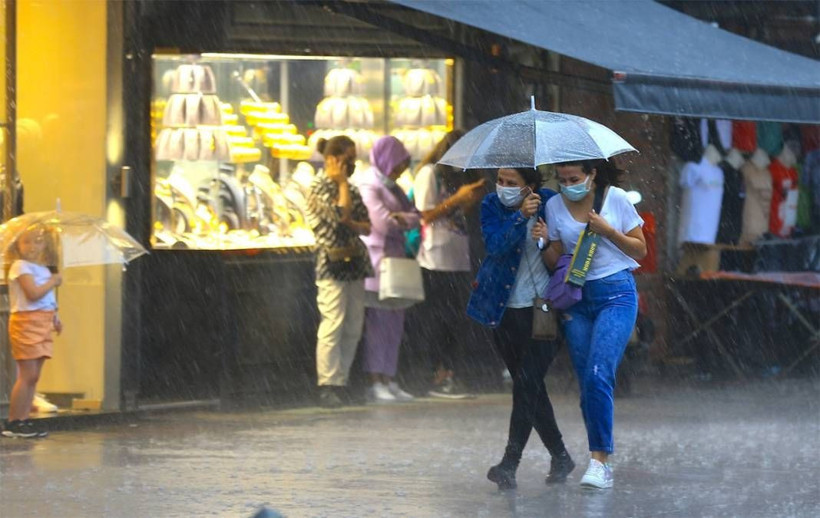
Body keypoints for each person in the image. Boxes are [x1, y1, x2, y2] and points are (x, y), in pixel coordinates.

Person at [539, 159, 646, 489]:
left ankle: (600, 461)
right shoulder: (555, 206)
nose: (568, 184)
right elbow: (557, 261)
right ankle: (599, 455)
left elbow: (641, 249)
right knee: (588, 384)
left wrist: (609, 232)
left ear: (592, 175)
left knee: (600, 372)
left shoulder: (615, 199)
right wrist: (544, 242)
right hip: (577, 300)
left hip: (616, 294)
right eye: (562, 179)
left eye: (575, 178)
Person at [466, 167, 574, 490]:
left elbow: (567, 246)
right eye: (500, 181)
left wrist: (544, 240)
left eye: (511, 183)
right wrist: (518, 219)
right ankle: (561, 455)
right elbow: (495, 246)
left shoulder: (551, 203)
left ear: (530, 187)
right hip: (503, 313)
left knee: (526, 384)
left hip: (543, 312)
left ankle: (509, 464)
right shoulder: (490, 206)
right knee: (531, 389)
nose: (503, 188)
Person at [408, 130, 486, 398]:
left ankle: (450, 371)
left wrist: (468, 199)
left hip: (458, 256)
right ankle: (436, 373)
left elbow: (456, 215)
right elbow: (426, 215)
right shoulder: (429, 173)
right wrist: (458, 198)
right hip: (434, 258)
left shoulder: (457, 176)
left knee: (455, 318)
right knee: (437, 318)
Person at [305, 136, 372, 409]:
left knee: (353, 325)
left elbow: (365, 225)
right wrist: (342, 184)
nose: (351, 165)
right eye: (347, 160)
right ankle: (327, 383)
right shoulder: (318, 187)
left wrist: (350, 221)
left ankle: (342, 381)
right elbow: (340, 214)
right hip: (330, 263)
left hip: (354, 262)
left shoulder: (353, 189)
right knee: (332, 323)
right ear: (332, 159)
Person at [356, 136, 420, 402]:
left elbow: (416, 216)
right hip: (376, 263)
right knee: (378, 324)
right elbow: (381, 223)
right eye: (397, 165)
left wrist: (402, 219)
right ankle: (375, 378)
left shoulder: (394, 188)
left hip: (396, 262)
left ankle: (389, 376)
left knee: (394, 322)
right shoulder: (370, 184)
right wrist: (404, 220)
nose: (399, 171)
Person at [2, 226, 63, 438]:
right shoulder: (20, 266)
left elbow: (47, 299)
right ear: (18, 245)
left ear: (45, 244)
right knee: (27, 374)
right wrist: (53, 281)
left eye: (37, 241)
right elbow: (33, 293)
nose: (32, 247)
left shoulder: (45, 269)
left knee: (34, 376)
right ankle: (14, 421)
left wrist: (55, 316)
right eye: (26, 242)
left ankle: (24, 419)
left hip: (43, 321)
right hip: (26, 322)